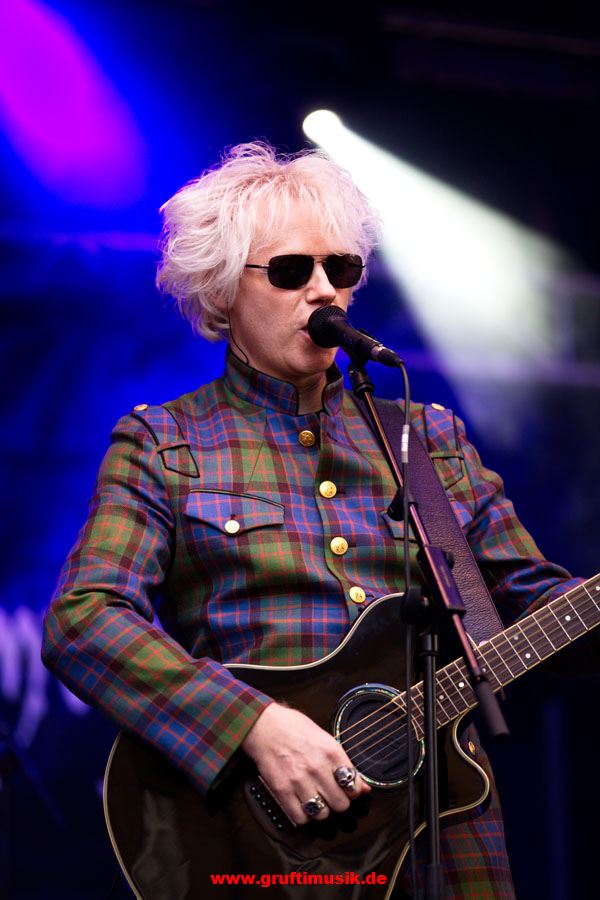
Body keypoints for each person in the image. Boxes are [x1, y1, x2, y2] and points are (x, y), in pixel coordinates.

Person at [42, 142, 583, 898]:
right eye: (292, 270)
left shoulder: (428, 439)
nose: (324, 289)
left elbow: (537, 607)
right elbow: (84, 619)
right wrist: (250, 725)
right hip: (262, 846)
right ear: (223, 288)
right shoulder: (167, 443)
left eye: (342, 268)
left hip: (450, 827)